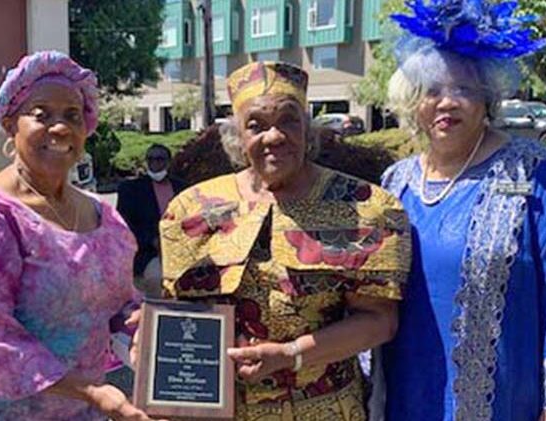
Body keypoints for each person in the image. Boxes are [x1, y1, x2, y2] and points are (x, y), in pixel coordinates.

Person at [130, 61, 411, 420]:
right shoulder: (190, 209)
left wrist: (291, 353)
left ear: (308, 130)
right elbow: (179, 313)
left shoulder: (365, 207)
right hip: (215, 410)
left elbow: (378, 320)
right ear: (237, 136)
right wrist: (153, 339)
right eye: (256, 125)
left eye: (288, 120)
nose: (274, 136)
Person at [372, 1, 546, 420]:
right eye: (432, 90)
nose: (447, 103)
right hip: (408, 400)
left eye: (463, 89)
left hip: (507, 402)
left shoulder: (536, 173)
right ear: (413, 102)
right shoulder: (395, 184)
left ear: (488, 98)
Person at [0, 51, 161, 421]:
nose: (60, 128)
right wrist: (92, 391)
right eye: (41, 114)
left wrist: (138, 330)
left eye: (72, 115)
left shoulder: (103, 218)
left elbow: (118, 301)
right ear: (11, 124)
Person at [117, 144, 186, 298]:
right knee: (157, 279)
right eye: (150, 159)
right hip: (148, 252)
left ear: (168, 162)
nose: (155, 163)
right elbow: (125, 225)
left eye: (160, 159)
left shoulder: (182, 188)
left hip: (180, 249)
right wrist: (153, 241)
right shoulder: (131, 189)